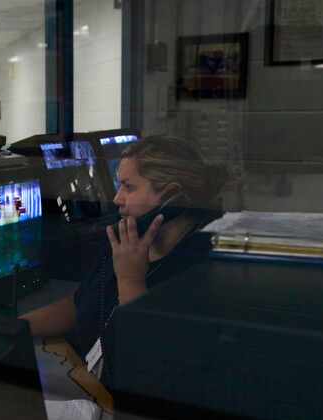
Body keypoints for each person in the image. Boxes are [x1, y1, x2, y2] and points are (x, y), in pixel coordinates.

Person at [22, 135, 228, 374]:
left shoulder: (199, 265)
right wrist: (17, 328)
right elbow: (80, 304)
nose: (117, 198)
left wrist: (130, 279)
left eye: (129, 187)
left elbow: (146, 360)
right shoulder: (126, 239)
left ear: (173, 197)